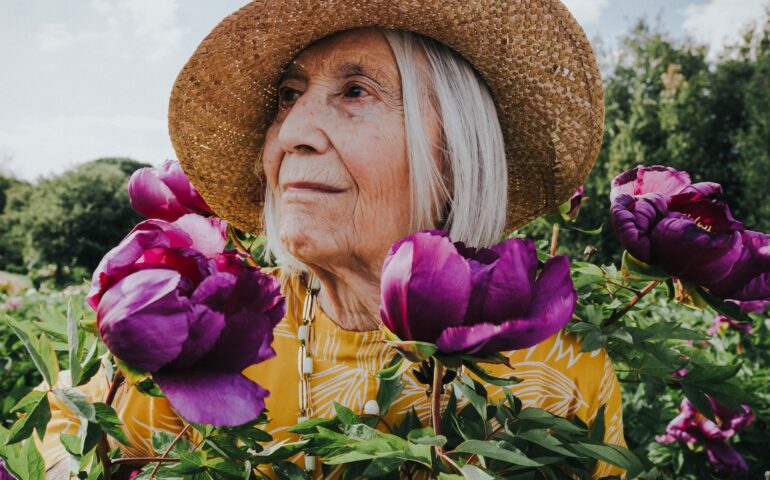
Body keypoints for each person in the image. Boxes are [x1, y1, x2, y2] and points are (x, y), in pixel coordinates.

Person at [40, 1, 625, 478]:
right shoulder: (209, 323)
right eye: (289, 96)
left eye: (355, 92)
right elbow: (73, 455)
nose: (291, 132)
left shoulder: (562, 374)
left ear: (454, 155)